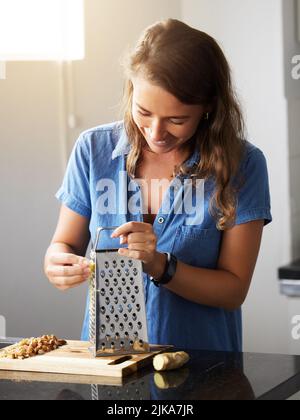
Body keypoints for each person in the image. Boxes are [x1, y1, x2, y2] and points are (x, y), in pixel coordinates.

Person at [44, 19, 272, 352]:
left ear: (209, 109)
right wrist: (58, 263)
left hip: (203, 370)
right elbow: (63, 245)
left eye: (177, 120)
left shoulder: (245, 165)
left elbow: (233, 289)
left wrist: (160, 265)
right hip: (109, 366)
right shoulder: (93, 150)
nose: (155, 132)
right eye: (144, 112)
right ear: (131, 91)